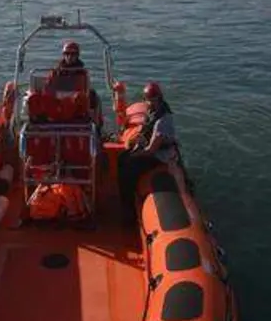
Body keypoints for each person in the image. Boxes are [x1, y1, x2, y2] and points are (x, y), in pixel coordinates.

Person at [117, 82, 178, 225]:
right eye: (148, 99)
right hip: (152, 149)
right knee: (122, 159)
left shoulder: (162, 121)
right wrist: (135, 146)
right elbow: (145, 133)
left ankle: (129, 209)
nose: (149, 102)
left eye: (152, 99)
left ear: (158, 99)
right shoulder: (152, 114)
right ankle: (125, 200)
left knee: (127, 169)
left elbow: (151, 150)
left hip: (160, 156)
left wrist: (135, 155)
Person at [50, 40, 103, 129]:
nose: (69, 57)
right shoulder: (56, 72)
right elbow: (49, 87)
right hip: (59, 102)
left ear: (77, 56)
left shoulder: (82, 72)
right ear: (63, 55)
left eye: (72, 54)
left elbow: (85, 89)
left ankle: (96, 126)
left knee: (93, 96)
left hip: (76, 102)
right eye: (67, 54)